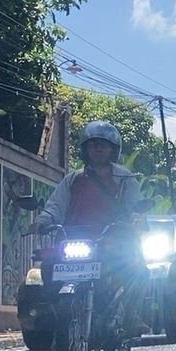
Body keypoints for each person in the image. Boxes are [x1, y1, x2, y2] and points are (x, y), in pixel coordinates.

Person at [35, 121, 147, 335]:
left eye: (102, 145)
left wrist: (135, 219)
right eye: (93, 144)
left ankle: (132, 315)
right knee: (47, 266)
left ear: (112, 149)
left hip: (113, 240)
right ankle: (58, 313)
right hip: (73, 239)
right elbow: (55, 206)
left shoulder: (125, 178)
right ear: (85, 149)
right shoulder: (72, 179)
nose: (97, 149)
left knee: (138, 270)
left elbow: (135, 206)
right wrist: (43, 221)